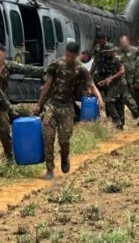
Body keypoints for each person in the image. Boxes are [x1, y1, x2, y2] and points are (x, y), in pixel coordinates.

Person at [33, 42, 103, 180]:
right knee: (48, 137)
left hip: (66, 107)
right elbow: (47, 84)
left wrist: (99, 98)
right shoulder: (56, 65)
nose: (69, 58)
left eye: (72, 56)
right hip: (51, 105)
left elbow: (91, 84)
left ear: (76, 55)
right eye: (67, 55)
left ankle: (64, 156)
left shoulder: (80, 69)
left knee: (64, 140)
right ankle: (50, 169)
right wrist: (39, 104)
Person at [0, 42, 45, 160]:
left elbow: (26, 69)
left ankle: (9, 160)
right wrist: (11, 109)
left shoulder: (8, 66)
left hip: (1, 107)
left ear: (3, 54)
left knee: (5, 136)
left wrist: (45, 71)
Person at [94, 43, 126, 129]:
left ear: (112, 51)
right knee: (119, 102)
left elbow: (122, 71)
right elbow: (112, 73)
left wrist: (111, 79)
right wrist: (104, 81)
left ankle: (117, 121)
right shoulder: (110, 59)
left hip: (119, 82)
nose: (106, 54)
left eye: (107, 52)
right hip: (115, 82)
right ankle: (121, 124)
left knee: (108, 101)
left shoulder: (117, 58)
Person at [117, 35, 139, 126]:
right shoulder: (118, 51)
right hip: (124, 77)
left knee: (135, 96)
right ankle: (136, 112)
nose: (122, 44)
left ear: (128, 42)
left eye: (124, 42)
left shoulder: (135, 50)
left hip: (133, 77)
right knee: (126, 96)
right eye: (121, 43)